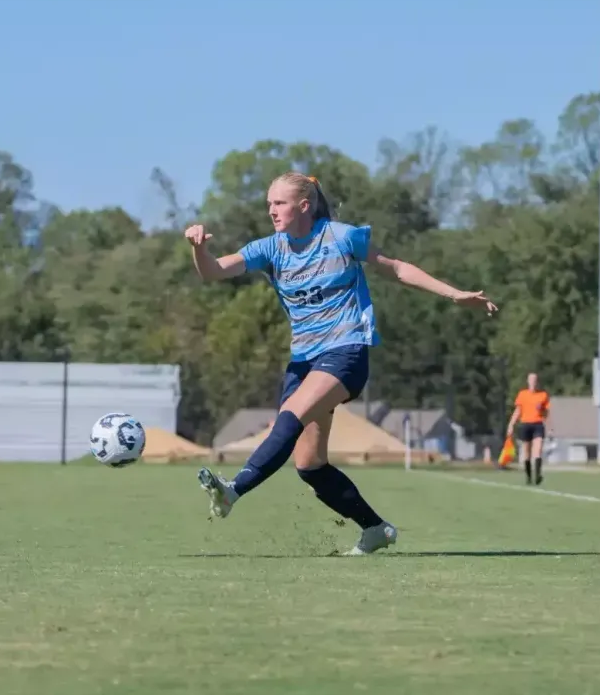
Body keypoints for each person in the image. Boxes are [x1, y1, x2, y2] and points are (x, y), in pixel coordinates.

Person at [187, 172, 497, 555]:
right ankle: (375, 530)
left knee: (291, 414)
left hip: (346, 352)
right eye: (269, 203)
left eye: (279, 203)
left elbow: (397, 268)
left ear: (305, 205)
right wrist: (199, 249)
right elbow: (214, 272)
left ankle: (233, 490)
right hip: (304, 361)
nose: (272, 210)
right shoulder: (270, 248)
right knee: (309, 465)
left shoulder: (342, 237)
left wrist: (455, 295)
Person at [507, 372, 550, 485]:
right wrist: (511, 424)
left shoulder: (543, 395)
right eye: (531, 380)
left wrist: (543, 412)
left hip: (538, 424)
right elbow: (518, 411)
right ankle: (528, 476)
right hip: (525, 424)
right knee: (526, 452)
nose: (533, 382)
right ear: (528, 381)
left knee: (538, 448)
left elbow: (546, 413)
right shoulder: (522, 394)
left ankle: (538, 475)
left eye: (535, 380)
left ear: (537, 382)